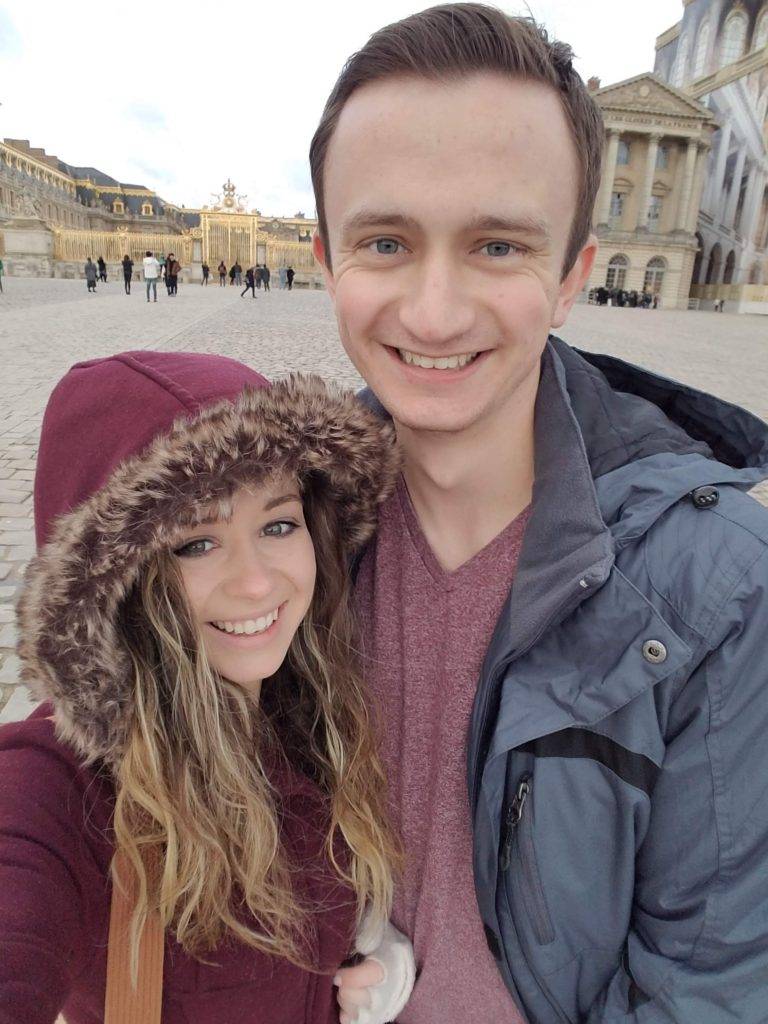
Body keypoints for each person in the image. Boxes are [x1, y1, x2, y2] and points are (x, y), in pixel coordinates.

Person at [310, 6, 768, 1024]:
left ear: (573, 275)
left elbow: (708, 989)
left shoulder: (724, 586)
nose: (434, 311)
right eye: (386, 241)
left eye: (497, 246)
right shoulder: (273, 534)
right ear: (325, 261)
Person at [0, 349, 415, 1024]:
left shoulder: (311, 711)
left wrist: (366, 960)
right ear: (116, 580)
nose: (257, 582)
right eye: (196, 543)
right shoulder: (63, 786)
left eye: (277, 524)